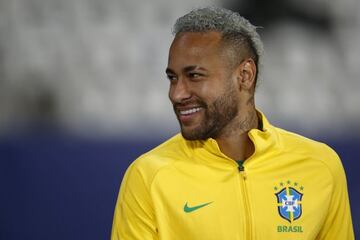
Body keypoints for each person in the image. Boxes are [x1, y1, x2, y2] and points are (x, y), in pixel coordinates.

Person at [111, 7, 354, 240]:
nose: (176, 94)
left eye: (194, 75)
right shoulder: (148, 176)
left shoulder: (321, 166)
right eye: (173, 78)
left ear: (245, 76)